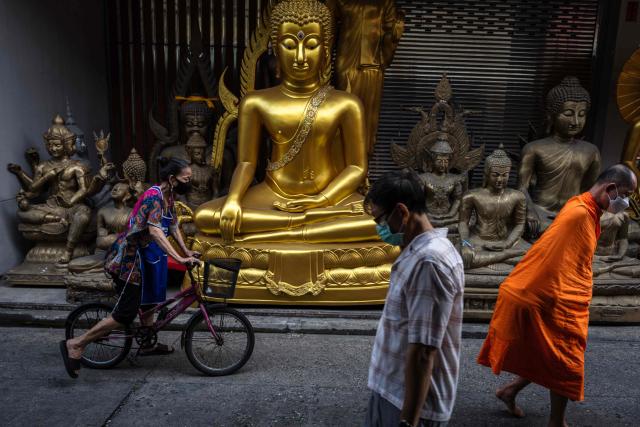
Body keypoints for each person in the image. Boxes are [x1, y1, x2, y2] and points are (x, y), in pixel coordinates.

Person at [477, 164, 637, 426]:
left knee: (546, 352)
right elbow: (557, 265)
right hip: (544, 295)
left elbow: (571, 261)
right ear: (610, 189)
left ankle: (509, 391)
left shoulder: (584, 206)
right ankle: (556, 422)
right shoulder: (579, 214)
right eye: (626, 194)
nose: (627, 202)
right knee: (565, 358)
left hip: (542, 291)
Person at [60, 157, 200, 378]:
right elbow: (155, 231)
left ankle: (146, 344)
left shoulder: (169, 195)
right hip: (129, 259)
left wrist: (186, 252)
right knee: (125, 313)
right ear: (172, 179)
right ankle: (77, 344)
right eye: (187, 178)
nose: (190, 182)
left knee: (151, 301)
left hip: (148, 257)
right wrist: (180, 259)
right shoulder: (154, 197)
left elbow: (172, 224)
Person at [364, 169, 465, 427]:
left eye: (380, 221)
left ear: (401, 212)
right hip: (391, 389)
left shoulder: (429, 263)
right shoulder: (419, 251)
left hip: (406, 404)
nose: (379, 230)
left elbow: (423, 352)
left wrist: (408, 421)